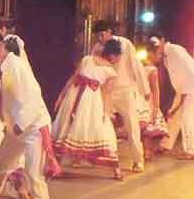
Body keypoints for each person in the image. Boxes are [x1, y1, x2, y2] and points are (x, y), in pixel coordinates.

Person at [0, 31, 62, 199]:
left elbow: (33, 98)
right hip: (16, 128)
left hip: (32, 127)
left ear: (1, 46)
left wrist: (19, 125)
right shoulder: (2, 67)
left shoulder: (16, 65)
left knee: (33, 174)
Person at [52, 39, 124, 179]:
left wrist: (62, 95)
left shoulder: (90, 61)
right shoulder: (106, 69)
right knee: (85, 128)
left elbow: (74, 78)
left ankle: (55, 166)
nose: (119, 59)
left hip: (77, 98)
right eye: (118, 56)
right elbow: (106, 93)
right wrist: (106, 112)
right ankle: (116, 171)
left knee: (69, 127)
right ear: (112, 55)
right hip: (86, 100)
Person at [93, 20, 151, 172]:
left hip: (125, 90)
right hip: (107, 91)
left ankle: (138, 160)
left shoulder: (125, 44)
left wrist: (145, 89)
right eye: (98, 36)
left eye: (102, 34)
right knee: (100, 121)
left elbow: (136, 65)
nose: (100, 38)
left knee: (132, 125)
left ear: (109, 31)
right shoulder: (97, 48)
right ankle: (97, 156)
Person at [147, 36, 194, 159]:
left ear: (162, 40)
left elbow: (191, 66)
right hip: (182, 89)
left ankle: (192, 151)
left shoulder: (175, 50)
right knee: (173, 116)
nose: (156, 48)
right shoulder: (166, 55)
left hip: (191, 88)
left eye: (157, 45)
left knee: (187, 118)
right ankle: (166, 145)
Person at [137, 40, 168, 159]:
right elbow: (155, 90)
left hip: (140, 100)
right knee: (147, 127)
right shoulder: (151, 69)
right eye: (159, 54)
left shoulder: (141, 67)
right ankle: (146, 151)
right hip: (146, 101)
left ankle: (145, 151)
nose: (160, 57)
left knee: (145, 128)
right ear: (151, 53)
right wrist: (156, 106)